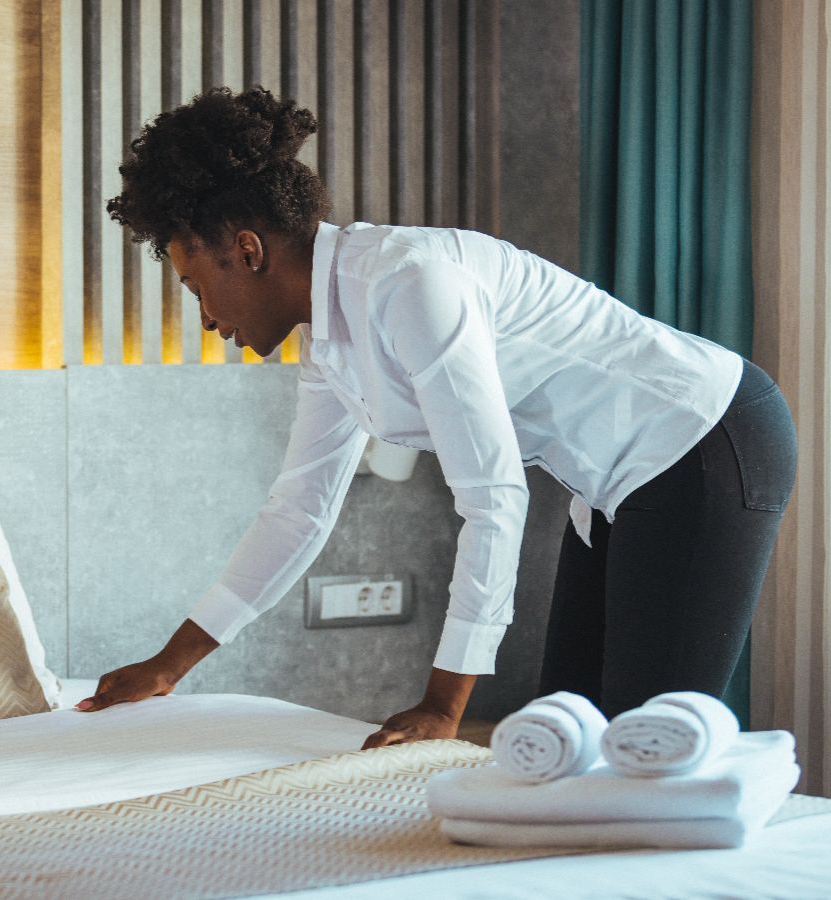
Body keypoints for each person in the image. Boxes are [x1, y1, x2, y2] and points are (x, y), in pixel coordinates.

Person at [75, 85, 798, 749]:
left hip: (705, 438)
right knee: (568, 740)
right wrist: (170, 665)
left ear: (248, 250)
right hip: (613, 483)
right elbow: (298, 509)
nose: (206, 319)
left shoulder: (406, 283)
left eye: (197, 286)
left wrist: (442, 709)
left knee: (647, 749)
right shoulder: (331, 342)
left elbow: (492, 498)